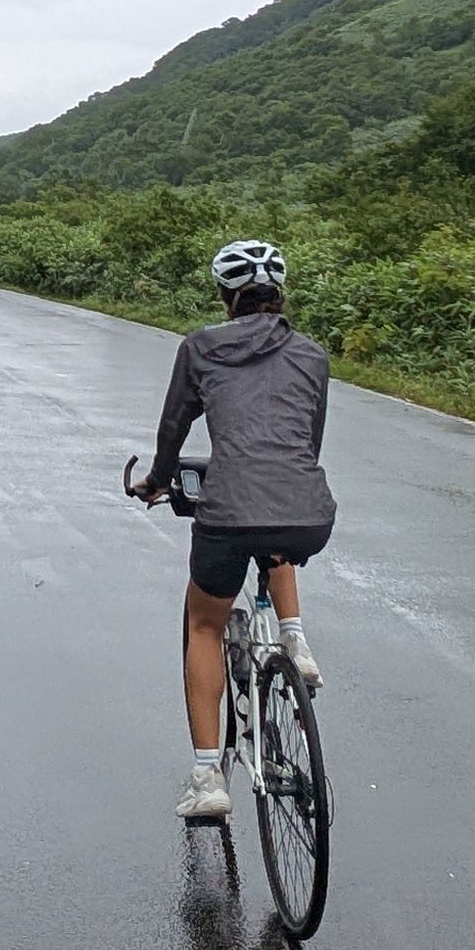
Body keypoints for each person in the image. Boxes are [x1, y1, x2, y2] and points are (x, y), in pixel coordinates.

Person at [129, 236, 335, 819]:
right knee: (276, 533)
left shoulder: (199, 349)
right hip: (307, 511)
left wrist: (158, 480)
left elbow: (172, 431)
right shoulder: (313, 354)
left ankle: (206, 778)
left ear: (226, 298)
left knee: (203, 622)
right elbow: (304, 443)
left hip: (227, 513)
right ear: (280, 295)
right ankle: (295, 638)